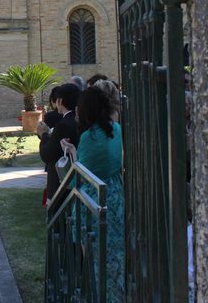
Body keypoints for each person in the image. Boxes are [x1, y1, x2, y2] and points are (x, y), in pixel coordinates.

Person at [60, 86, 124, 301]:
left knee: (95, 262)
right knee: (116, 256)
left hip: (93, 200)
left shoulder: (88, 136)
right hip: (116, 195)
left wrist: (71, 152)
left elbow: (82, 174)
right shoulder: (117, 129)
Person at [38, 83, 80, 200]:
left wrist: (44, 135)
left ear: (60, 101)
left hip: (62, 179)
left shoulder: (64, 125)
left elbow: (47, 154)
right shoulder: (79, 119)